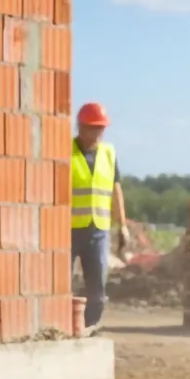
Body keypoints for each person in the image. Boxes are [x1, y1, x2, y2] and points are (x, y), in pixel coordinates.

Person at [70, 102, 127, 332]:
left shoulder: (109, 153)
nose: (97, 133)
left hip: (99, 229)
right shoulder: (66, 151)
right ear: (81, 127)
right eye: (93, 128)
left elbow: (116, 190)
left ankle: (90, 326)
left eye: (101, 128)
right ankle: (63, 326)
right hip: (69, 229)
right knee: (61, 282)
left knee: (97, 284)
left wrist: (122, 225)